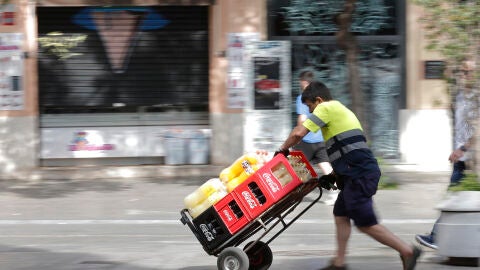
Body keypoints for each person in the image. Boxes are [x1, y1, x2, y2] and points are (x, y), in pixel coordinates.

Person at [275, 80, 421, 270]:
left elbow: (298, 134)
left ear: (318, 100)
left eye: (310, 106)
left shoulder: (326, 108)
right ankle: (339, 262)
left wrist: (282, 150)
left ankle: (407, 251)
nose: (310, 112)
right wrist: (332, 176)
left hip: (359, 174)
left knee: (365, 224)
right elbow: (347, 150)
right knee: (341, 214)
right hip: (356, 172)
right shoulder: (339, 111)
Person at [415, 60, 476, 250]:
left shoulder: (476, 97)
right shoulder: (459, 96)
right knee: (454, 198)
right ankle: (438, 237)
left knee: (452, 198)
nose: (464, 75)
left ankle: (436, 237)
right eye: (462, 71)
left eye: (468, 71)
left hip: (471, 158)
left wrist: (462, 149)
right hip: (461, 159)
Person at [294, 71, 337, 204]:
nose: (300, 85)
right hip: (321, 138)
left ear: (304, 82)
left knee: (295, 166)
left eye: (300, 82)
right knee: (324, 164)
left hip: (307, 138)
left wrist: (298, 134)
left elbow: (302, 119)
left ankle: (297, 193)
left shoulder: (302, 97)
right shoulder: (321, 98)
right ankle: (334, 191)